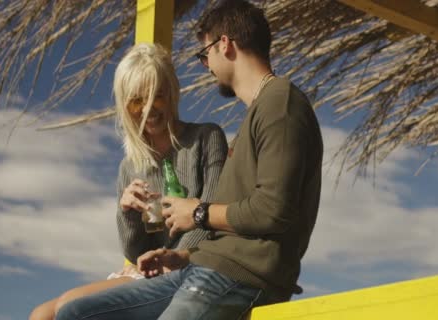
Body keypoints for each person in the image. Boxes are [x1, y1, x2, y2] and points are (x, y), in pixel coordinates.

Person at [55, 1, 323, 319]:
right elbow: (233, 228)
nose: (204, 64)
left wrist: (196, 212)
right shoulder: (260, 112)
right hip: (201, 268)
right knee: (74, 313)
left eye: (203, 54)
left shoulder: (280, 105)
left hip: (238, 277)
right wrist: (181, 256)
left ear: (224, 44)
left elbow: (272, 211)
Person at [28, 43, 228, 320]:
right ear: (125, 104)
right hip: (149, 272)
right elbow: (135, 252)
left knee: (67, 309)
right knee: (40, 314)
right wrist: (128, 214)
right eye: (136, 100)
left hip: (192, 264)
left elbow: (212, 214)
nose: (148, 109)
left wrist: (169, 257)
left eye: (157, 96)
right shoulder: (130, 165)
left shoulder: (205, 138)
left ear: (172, 92)